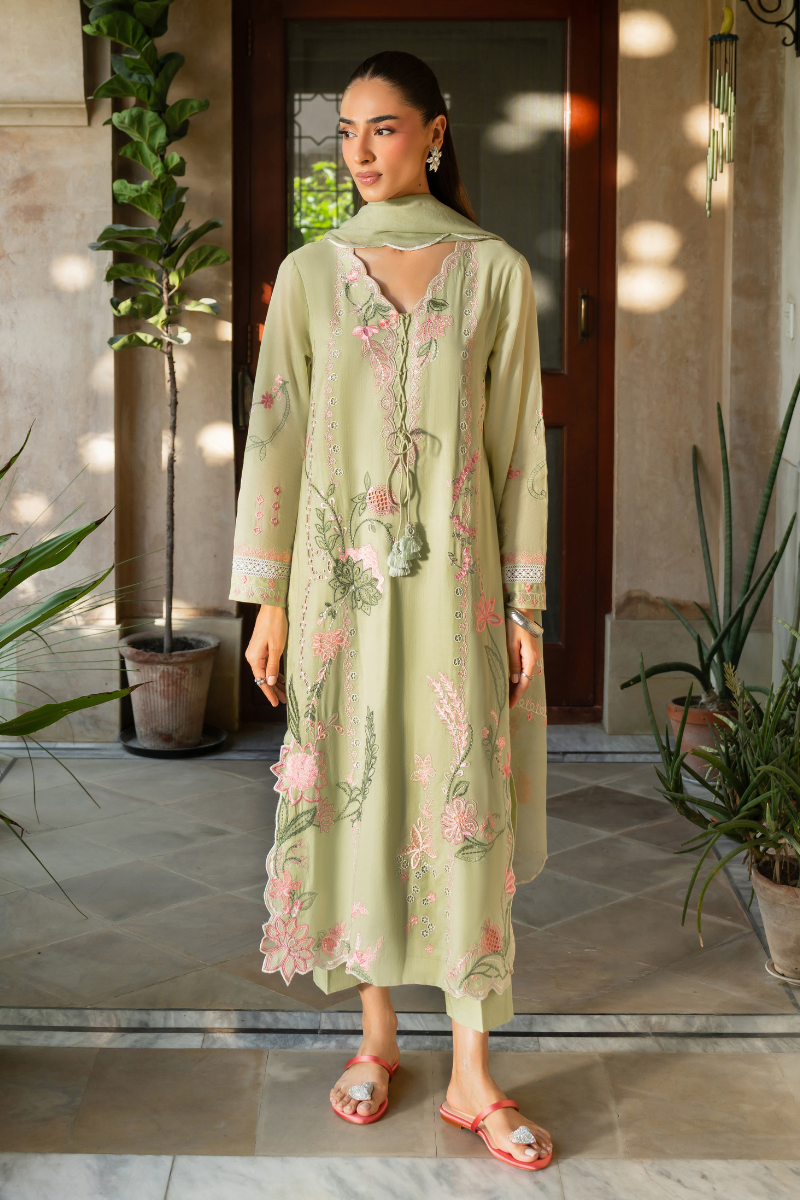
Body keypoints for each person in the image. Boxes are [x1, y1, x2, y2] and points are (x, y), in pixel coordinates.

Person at [231, 50, 551, 1171]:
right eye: (346, 132)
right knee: (355, 795)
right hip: (339, 595)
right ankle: (375, 1040)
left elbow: (517, 448)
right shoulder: (310, 274)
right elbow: (274, 437)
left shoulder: (494, 273)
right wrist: (267, 600)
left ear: (435, 133)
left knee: (462, 805)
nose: (359, 152)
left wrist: (524, 603)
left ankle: (471, 1073)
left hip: (457, 589)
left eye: (383, 128)